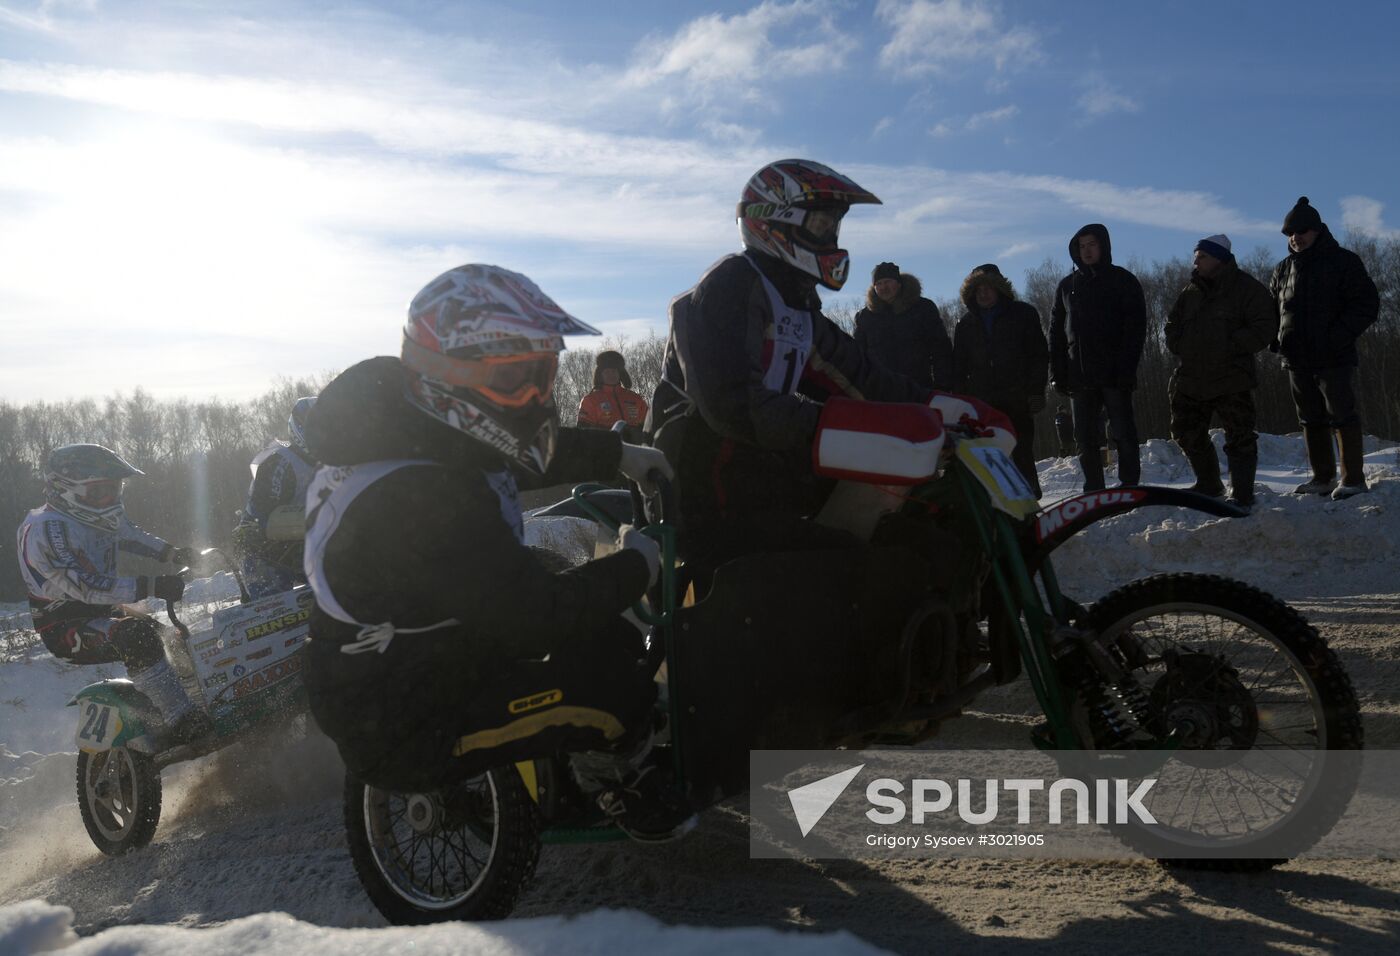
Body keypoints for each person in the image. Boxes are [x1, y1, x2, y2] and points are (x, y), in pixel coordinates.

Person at [299, 263, 693, 843]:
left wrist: (617, 455)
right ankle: (613, 782)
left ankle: (579, 750)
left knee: (612, 637)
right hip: (403, 712)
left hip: (440, 647)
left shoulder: (418, 421)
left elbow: (524, 454)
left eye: (543, 372)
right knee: (609, 694)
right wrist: (638, 563)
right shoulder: (413, 497)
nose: (535, 396)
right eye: (516, 378)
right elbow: (536, 618)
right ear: (448, 374)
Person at [647, 158, 1014, 569]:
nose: (831, 237)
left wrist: (954, 408)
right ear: (777, 224)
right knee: (856, 571)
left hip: (764, 474)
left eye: (833, 228)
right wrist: (853, 426)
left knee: (925, 532)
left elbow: (864, 377)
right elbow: (734, 406)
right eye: (821, 225)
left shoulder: (798, 305)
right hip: (704, 492)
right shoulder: (729, 287)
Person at [15, 444, 209, 744]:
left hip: (104, 612)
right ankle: (180, 718)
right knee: (138, 638)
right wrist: (151, 585)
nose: (110, 499)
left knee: (170, 639)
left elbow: (130, 534)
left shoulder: (98, 516)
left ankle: (197, 701)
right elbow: (85, 587)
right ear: (66, 490)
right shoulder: (45, 529)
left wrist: (174, 553)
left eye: (115, 489)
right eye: (100, 492)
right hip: (65, 624)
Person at [1270, 197, 1380, 499]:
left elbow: (1367, 304)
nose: (1295, 238)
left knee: (1342, 414)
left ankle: (1353, 479)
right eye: (1290, 233)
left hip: (1334, 355)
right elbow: (1271, 311)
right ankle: (1322, 478)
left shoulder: (1343, 261)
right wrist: (1274, 339)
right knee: (1309, 418)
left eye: (1302, 231)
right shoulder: (1282, 269)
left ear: (1317, 230)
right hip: (1295, 358)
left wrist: (1338, 337)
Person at [1165, 234, 1278, 510]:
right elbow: (1172, 323)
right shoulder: (1190, 291)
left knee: (1239, 436)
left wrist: (1232, 345)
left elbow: (1265, 325)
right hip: (1191, 377)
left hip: (1231, 377)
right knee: (1185, 430)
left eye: (1202, 256)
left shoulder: (1246, 288)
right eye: (1196, 256)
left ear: (1219, 258)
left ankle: (1242, 493)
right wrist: (1178, 344)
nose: (1196, 262)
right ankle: (1209, 483)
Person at [1049, 224, 1148, 491]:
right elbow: (1056, 333)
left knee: (1123, 433)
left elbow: (1136, 328)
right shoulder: (1067, 286)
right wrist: (1057, 374)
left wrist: (1127, 368)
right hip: (1079, 376)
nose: (1087, 251)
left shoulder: (1122, 280)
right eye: (1081, 246)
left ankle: (1129, 486)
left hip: (1115, 373)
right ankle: (1094, 488)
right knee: (1085, 438)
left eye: (1091, 244)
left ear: (1103, 246)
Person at [951, 263, 1049, 498]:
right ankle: (995, 508)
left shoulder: (1023, 314)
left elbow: (1039, 355)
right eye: (978, 289)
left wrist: (1036, 391)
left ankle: (1029, 509)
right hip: (982, 403)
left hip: (1018, 398)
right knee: (988, 457)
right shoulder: (965, 324)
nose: (983, 293)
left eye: (989, 288)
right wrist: (962, 399)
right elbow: (958, 365)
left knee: (1022, 453)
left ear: (999, 289)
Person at [232, 396, 319, 596]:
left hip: (304, 543)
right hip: (263, 549)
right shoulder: (280, 463)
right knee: (274, 608)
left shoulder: (335, 463)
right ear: (299, 427)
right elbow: (261, 518)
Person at [853, 261, 954, 389]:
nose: (884, 287)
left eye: (888, 281)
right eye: (879, 283)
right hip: (880, 392)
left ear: (899, 284)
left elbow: (940, 349)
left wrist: (942, 386)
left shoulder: (923, 309)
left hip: (918, 388)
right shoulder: (865, 317)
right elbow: (858, 357)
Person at [577, 350, 648, 440]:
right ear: (600, 375)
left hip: (635, 450)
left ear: (620, 374)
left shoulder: (635, 399)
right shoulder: (590, 400)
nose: (611, 375)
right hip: (605, 450)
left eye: (614, 371)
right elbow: (583, 430)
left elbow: (649, 425)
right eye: (607, 372)